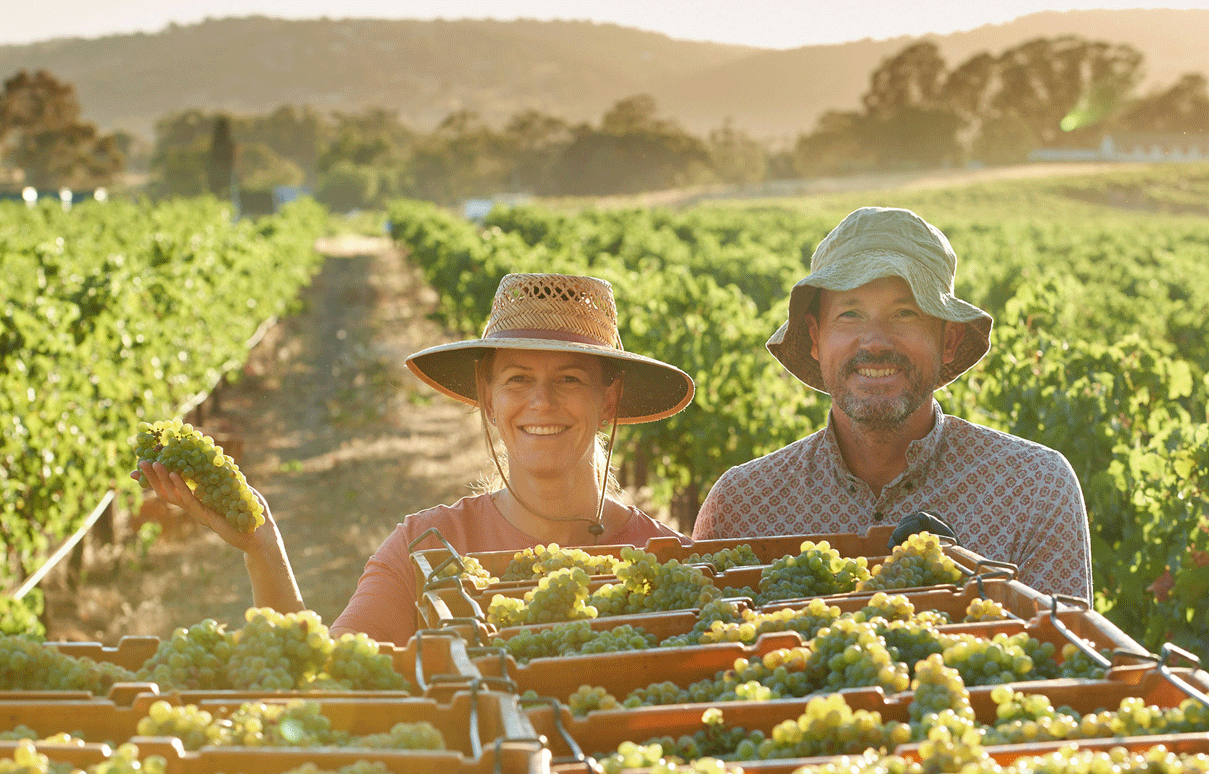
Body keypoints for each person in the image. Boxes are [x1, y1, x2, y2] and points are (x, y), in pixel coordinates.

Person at [137, 272, 696, 643]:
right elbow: (329, 681)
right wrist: (263, 549)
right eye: (518, 379)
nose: (541, 402)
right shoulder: (428, 548)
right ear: (488, 400)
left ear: (609, 401)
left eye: (569, 379)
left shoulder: (667, 562)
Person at [692, 206, 1093, 602]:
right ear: (815, 338)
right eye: (850, 314)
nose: (875, 342)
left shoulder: (1034, 489)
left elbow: (1061, 642)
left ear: (949, 339)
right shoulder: (742, 507)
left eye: (905, 313)